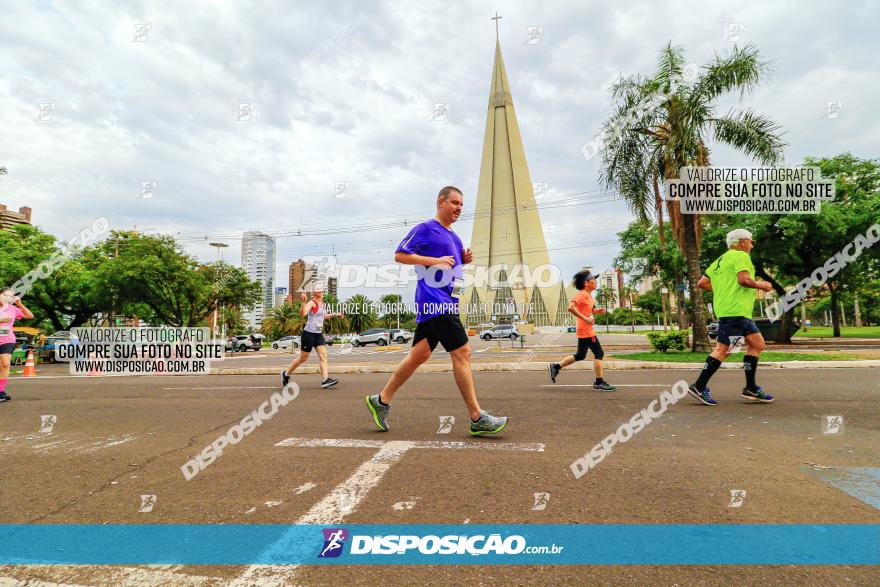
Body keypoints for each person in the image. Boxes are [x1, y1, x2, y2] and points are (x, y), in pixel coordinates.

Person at [364, 186, 508, 435]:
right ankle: (476, 417)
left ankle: (381, 400)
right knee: (462, 351)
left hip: (447, 300)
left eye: (461, 204)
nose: (459, 208)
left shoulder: (455, 237)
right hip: (434, 299)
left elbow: (452, 266)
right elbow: (400, 255)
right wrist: (433, 261)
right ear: (440, 202)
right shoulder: (425, 229)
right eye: (454, 203)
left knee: (419, 355)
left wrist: (465, 259)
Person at [688, 228, 775, 405]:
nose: (752, 244)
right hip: (735, 312)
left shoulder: (719, 260)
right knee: (723, 350)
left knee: (757, 344)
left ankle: (750, 387)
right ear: (742, 242)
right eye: (751, 241)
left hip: (738, 313)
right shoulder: (741, 256)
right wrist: (763, 286)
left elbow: (702, 283)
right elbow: (744, 280)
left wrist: (723, 288)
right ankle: (699, 385)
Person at [547, 270, 616, 391]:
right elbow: (570, 307)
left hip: (585, 329)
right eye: (594, 279)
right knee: (599, 353)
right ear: (586, 283)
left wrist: (597, 311)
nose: (596, 281)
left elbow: (590, 309)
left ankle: (556, 367)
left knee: (580, 355)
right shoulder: (582, 294)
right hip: (586, 330)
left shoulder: (589, 296)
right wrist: (586, 319)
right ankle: (599, 382)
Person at [280, 288, 344, 389]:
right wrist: (304, 302)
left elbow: (324, 316)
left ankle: (325, 380)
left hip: (318, 334)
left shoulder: (323, 304)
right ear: (314, 293)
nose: (321, 292)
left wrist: (336, 314)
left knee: (323, 356)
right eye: (318, 291)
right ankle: (286, 374)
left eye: (322, 290)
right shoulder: (311, 303)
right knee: (303, 358)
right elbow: (303, 314)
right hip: (308, 334)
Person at [0, 288, 34, 402]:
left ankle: (0, 391)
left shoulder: (13, 309)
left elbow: (30, 316)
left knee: (5, 364)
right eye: (5, 295)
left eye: (10, 296)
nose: (8, 298)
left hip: (7, 340)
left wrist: (20, 304)